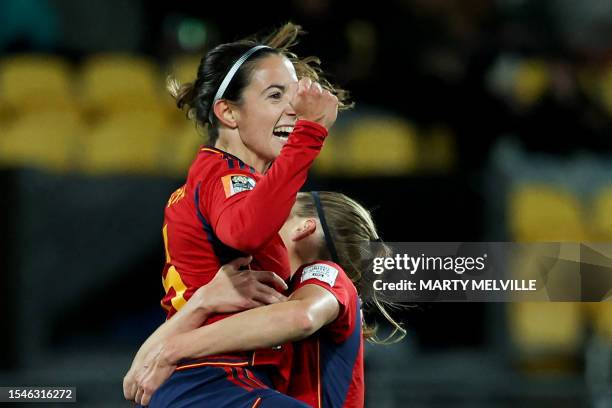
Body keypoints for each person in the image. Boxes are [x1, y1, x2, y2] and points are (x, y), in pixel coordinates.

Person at [126, 22, 350, 407]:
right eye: (275, 95)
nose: (292, 109)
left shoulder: (218, 178)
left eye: (293, 96)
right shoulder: (227, 175)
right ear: (228, 112)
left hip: (211, 381)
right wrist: (310, 134)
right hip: (215, 380)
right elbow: (244, 232)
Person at [126, 192, 405, 407]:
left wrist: (176, 349)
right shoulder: (268, 295)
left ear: (305, 228)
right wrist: (202, 302)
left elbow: (301, 317)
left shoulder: (327, 276)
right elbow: (137, 374)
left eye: (278, 213)